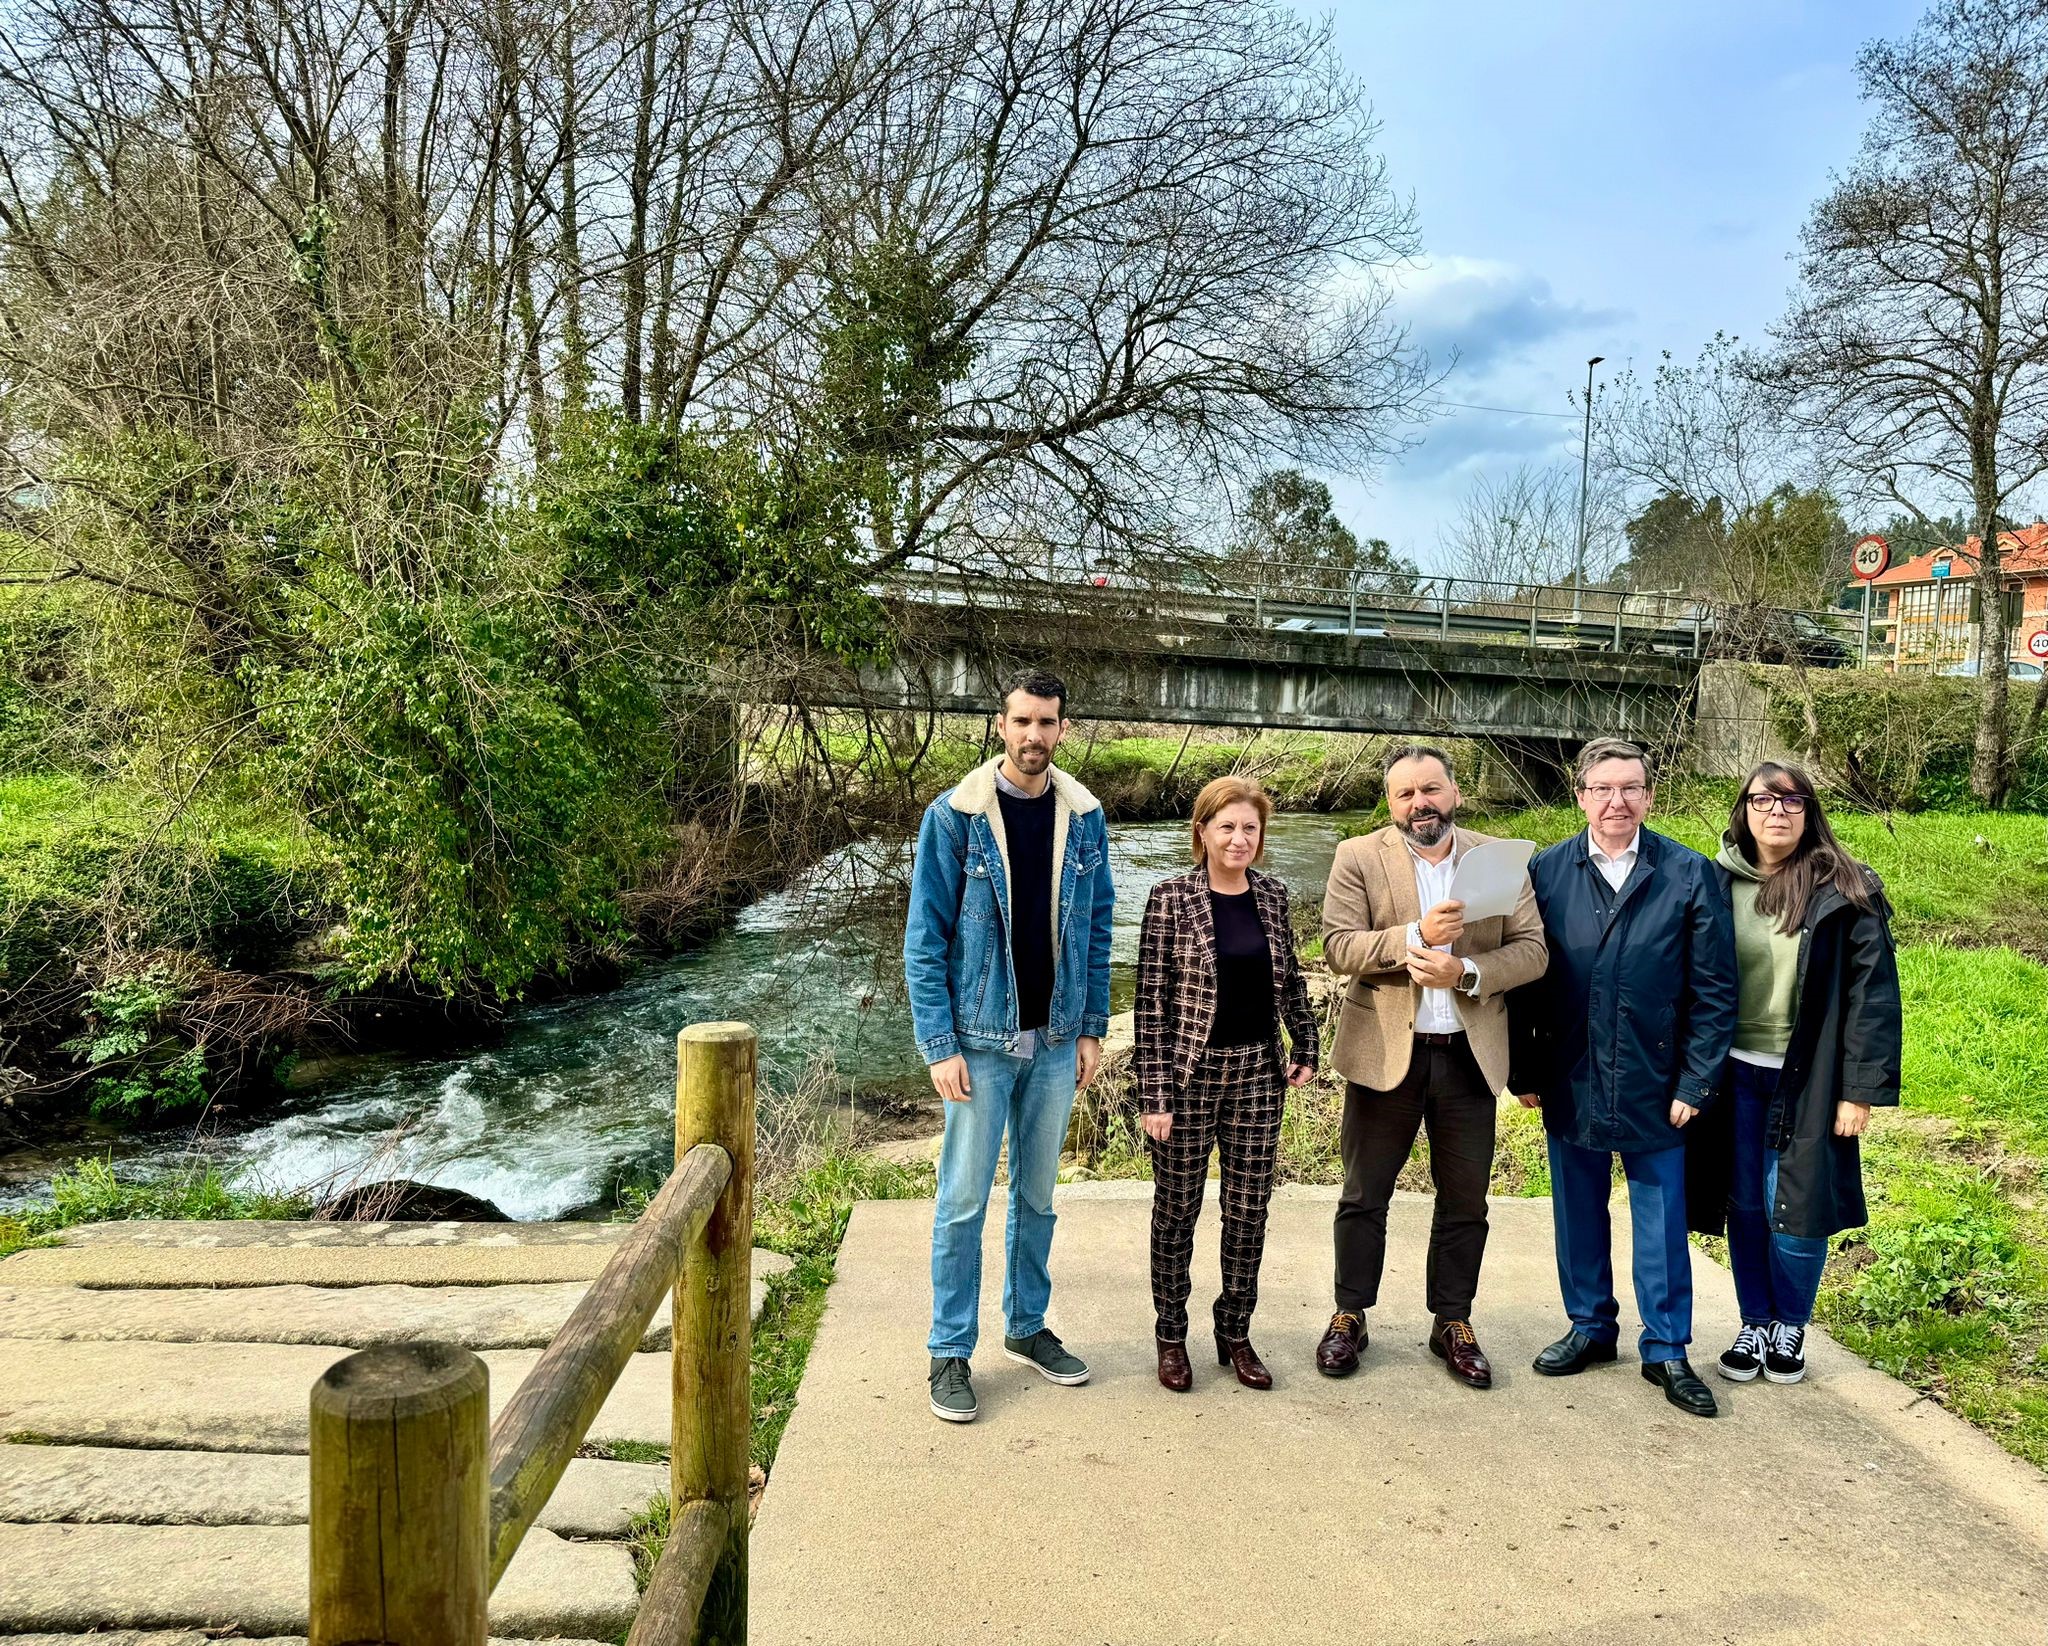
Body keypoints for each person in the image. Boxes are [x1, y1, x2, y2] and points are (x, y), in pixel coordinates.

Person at [904, 666, 1114, 1424]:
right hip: (981, 1040)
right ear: (1001, 725)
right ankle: (950, 1351)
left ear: (1063, 728)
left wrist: (1091, 1025)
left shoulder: (1083, 817)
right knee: (962, 1203)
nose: (1034, 736)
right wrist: (939, 1044)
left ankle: (1026, 1329)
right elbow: (925, 940)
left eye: (1047, 723)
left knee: (1036, 1196)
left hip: (1056, 1039)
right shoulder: (954, 817)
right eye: (1022, 721)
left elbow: (1096, 928)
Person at [1510, 736, 1736, 1418]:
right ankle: (1589, 1327)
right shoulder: (1544, 871)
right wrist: (1525, 1066)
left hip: (1655, 1077)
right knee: (1576, 1212)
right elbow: (1524, 978)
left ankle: (1666, 1347)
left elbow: (1717, 989)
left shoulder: (1690, 874)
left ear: (1649, 795)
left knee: (1661, 1221)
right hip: (1570, 1072)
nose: (1617, 801)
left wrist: (1696, 1083)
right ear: (1580, 795)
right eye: (1603, 788)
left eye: (1631, 787)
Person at [1314, 744, 1549, 1388]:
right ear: (1390, 803)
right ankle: (1349, 1313)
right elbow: (1337, 945)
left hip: (1470, 1061)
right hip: (1386, 1055)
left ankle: (1452, 1320)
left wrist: (1467, 970)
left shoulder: (1498, 858)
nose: (1421, 803)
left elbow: (1533, 952)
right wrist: (1415, 937)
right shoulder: (1358, 857)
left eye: (1432, 789)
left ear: (1455, 793)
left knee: (1466, 1202)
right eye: (1406, 794)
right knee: (1363, 1197)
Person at [1687, 762, 1902, 1385]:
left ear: (1809, 813)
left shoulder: (1846, 889)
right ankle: (1755, 1321)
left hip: (1810, 1077)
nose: (1776, 811)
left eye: (1791, 801)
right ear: (1744, 809)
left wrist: (1859, 1090)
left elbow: (1874, 995)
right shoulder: (1714, 882)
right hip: (1732, 1073)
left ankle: (1791, 1325)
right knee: (1746, 1202)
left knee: (1798, 1206)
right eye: (1763, 799)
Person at [1134, 776, 1319, 1392]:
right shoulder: (1169, 897)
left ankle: (1235, 1331)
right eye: (1226, 827)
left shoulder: (1272, 896)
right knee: (1177, 1210)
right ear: (1202, 832)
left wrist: (1306, 1043)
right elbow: (1150, 1004)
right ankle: (1170, 1335)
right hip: (1188, 1079)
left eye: (1250, 828)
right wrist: (1154, 1095)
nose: (1238, 838)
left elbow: (1289, 978)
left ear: (1261, 837)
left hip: (1256, 1077)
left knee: (1247, 1210)